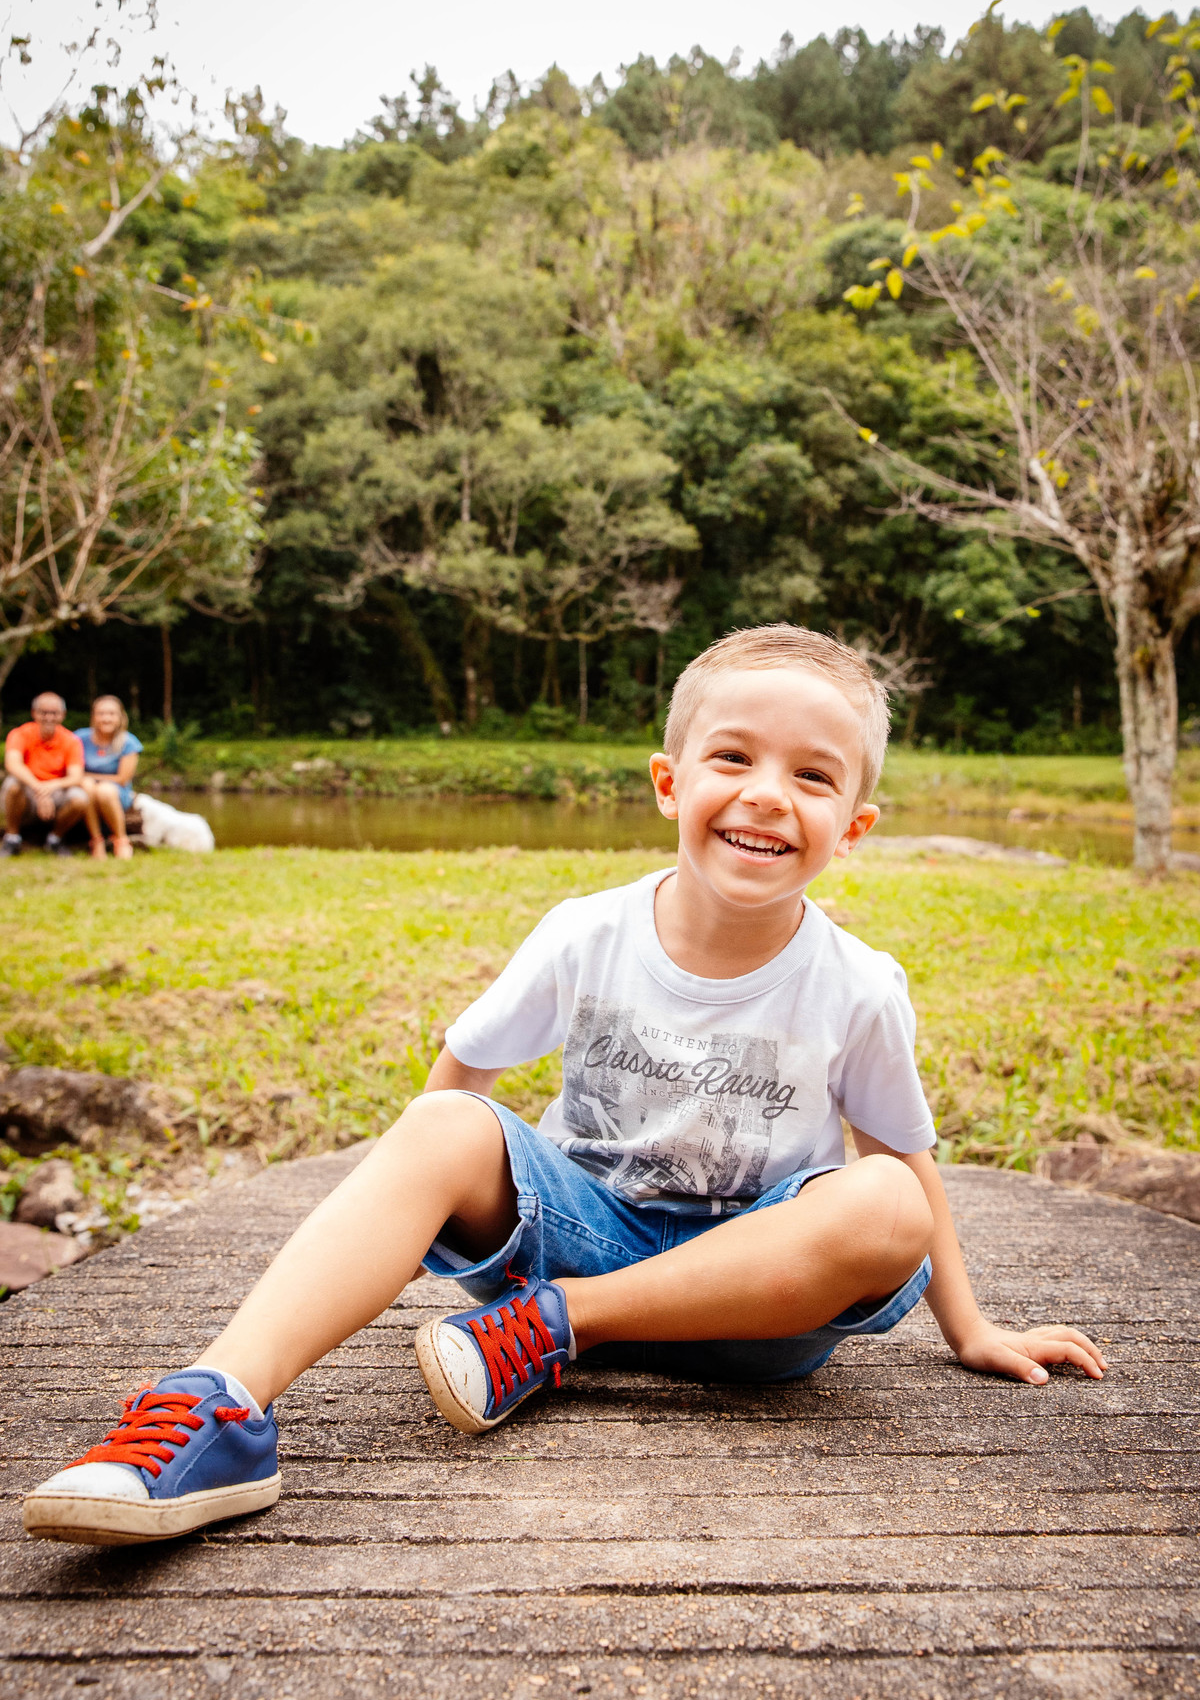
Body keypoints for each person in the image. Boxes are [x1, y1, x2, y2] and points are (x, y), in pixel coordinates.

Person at [23, 625, 1106, 1548]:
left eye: (814, 777)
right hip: (573, 1228)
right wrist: (404, 1223)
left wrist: (970, 1329)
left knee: (888, 1203)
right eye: (733, 757)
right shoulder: (586, 933)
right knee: (442, 1121)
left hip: (756, 1309)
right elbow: (456, 1092)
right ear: (669, 782)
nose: (768, 797)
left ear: (853, 828)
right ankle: (218, 1410)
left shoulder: (859, 985)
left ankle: (562, 1328)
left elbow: (906, 1158)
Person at [2, 693, 88, 858]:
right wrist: (37, 787)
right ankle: (12, 838)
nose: (49, 717)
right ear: (34, 713)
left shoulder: (71, 740)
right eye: (44, 712)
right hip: (27, 791)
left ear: (62, 715)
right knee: (12, 785)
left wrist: (48, 788)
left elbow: (76, 776)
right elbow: (12, 764)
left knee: (80, 798)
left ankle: (55, 839)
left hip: (55, 793)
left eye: (54, 713)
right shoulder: (20, 734)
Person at [78, 694, 142, 862]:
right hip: (87, 792)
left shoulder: (129, 742)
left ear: (120, 717)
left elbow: (122, 779)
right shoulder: (79, 738)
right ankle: (96, 840)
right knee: (87, 785)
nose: (106, 718)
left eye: (111, 714)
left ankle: (121, 840)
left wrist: (87, 776)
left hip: (116, 793)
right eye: (101, 713)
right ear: (94, 716)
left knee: (103, 789)